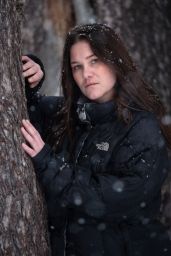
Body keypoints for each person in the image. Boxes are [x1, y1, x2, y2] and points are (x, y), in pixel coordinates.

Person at [21, 24, 171, 256]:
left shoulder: (143, 129)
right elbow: (25, 114)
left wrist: (49, 165)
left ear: (115, 61)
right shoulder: (74, 115)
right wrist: (29, 77)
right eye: (77, 67)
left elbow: (106, 199)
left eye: (95, 61)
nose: (86, 74)